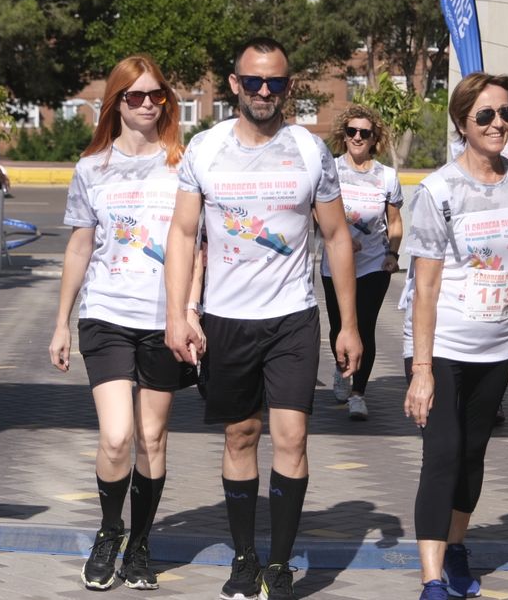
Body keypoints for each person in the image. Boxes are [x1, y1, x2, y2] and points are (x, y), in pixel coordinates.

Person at [163, 37, 363, 600]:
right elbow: (181, 235)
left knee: (292, 437)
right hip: (226, 320)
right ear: (234, 85)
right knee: (240, 434)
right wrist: (180, 314)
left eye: (275, 82)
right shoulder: (205, 149)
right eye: (253, 82)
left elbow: (336, 235)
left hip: (293, 318)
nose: (265, 92)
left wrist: (349, 324)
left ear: (289, 86)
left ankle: (279, 564)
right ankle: (244, 557)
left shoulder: (309, 149)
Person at [49, 55, 201, 592]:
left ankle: (140, 545)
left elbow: (197, 247)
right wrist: (61, 322)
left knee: (152, 437)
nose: (144, 104)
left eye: (154, 95)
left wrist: (190, 312)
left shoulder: (184, 163)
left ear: (166, 100)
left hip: (165, 321)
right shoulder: (93, 167)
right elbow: (80, 245)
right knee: (117, 437)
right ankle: (110, 532)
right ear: (114, 103)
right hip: (106, 315)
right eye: (132, 96)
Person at [402, 72, 508, 600]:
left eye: (505, 113)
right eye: (485, 115)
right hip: (443, 347)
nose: (498, 123)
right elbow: (426, 287)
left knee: (473, 454)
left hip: (499, 344)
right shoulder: (438, 190)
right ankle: (431, 579)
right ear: (462, 122)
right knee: (442, 452)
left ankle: (456, 549)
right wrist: (420, 370)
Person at [321, 105, 403, 422]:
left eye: (364, 133)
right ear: (344, 135)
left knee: (364, 327)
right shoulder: (330, 170)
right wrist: (339, 238)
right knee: (339, 326)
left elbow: (394, 223)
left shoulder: (387, 177)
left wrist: (392, 255)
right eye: (351, 131)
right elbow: (317, 212)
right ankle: (343, 369)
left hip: (372, 264)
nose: (357, 137)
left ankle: (358, 393)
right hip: (335, 264)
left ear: (373, 138)